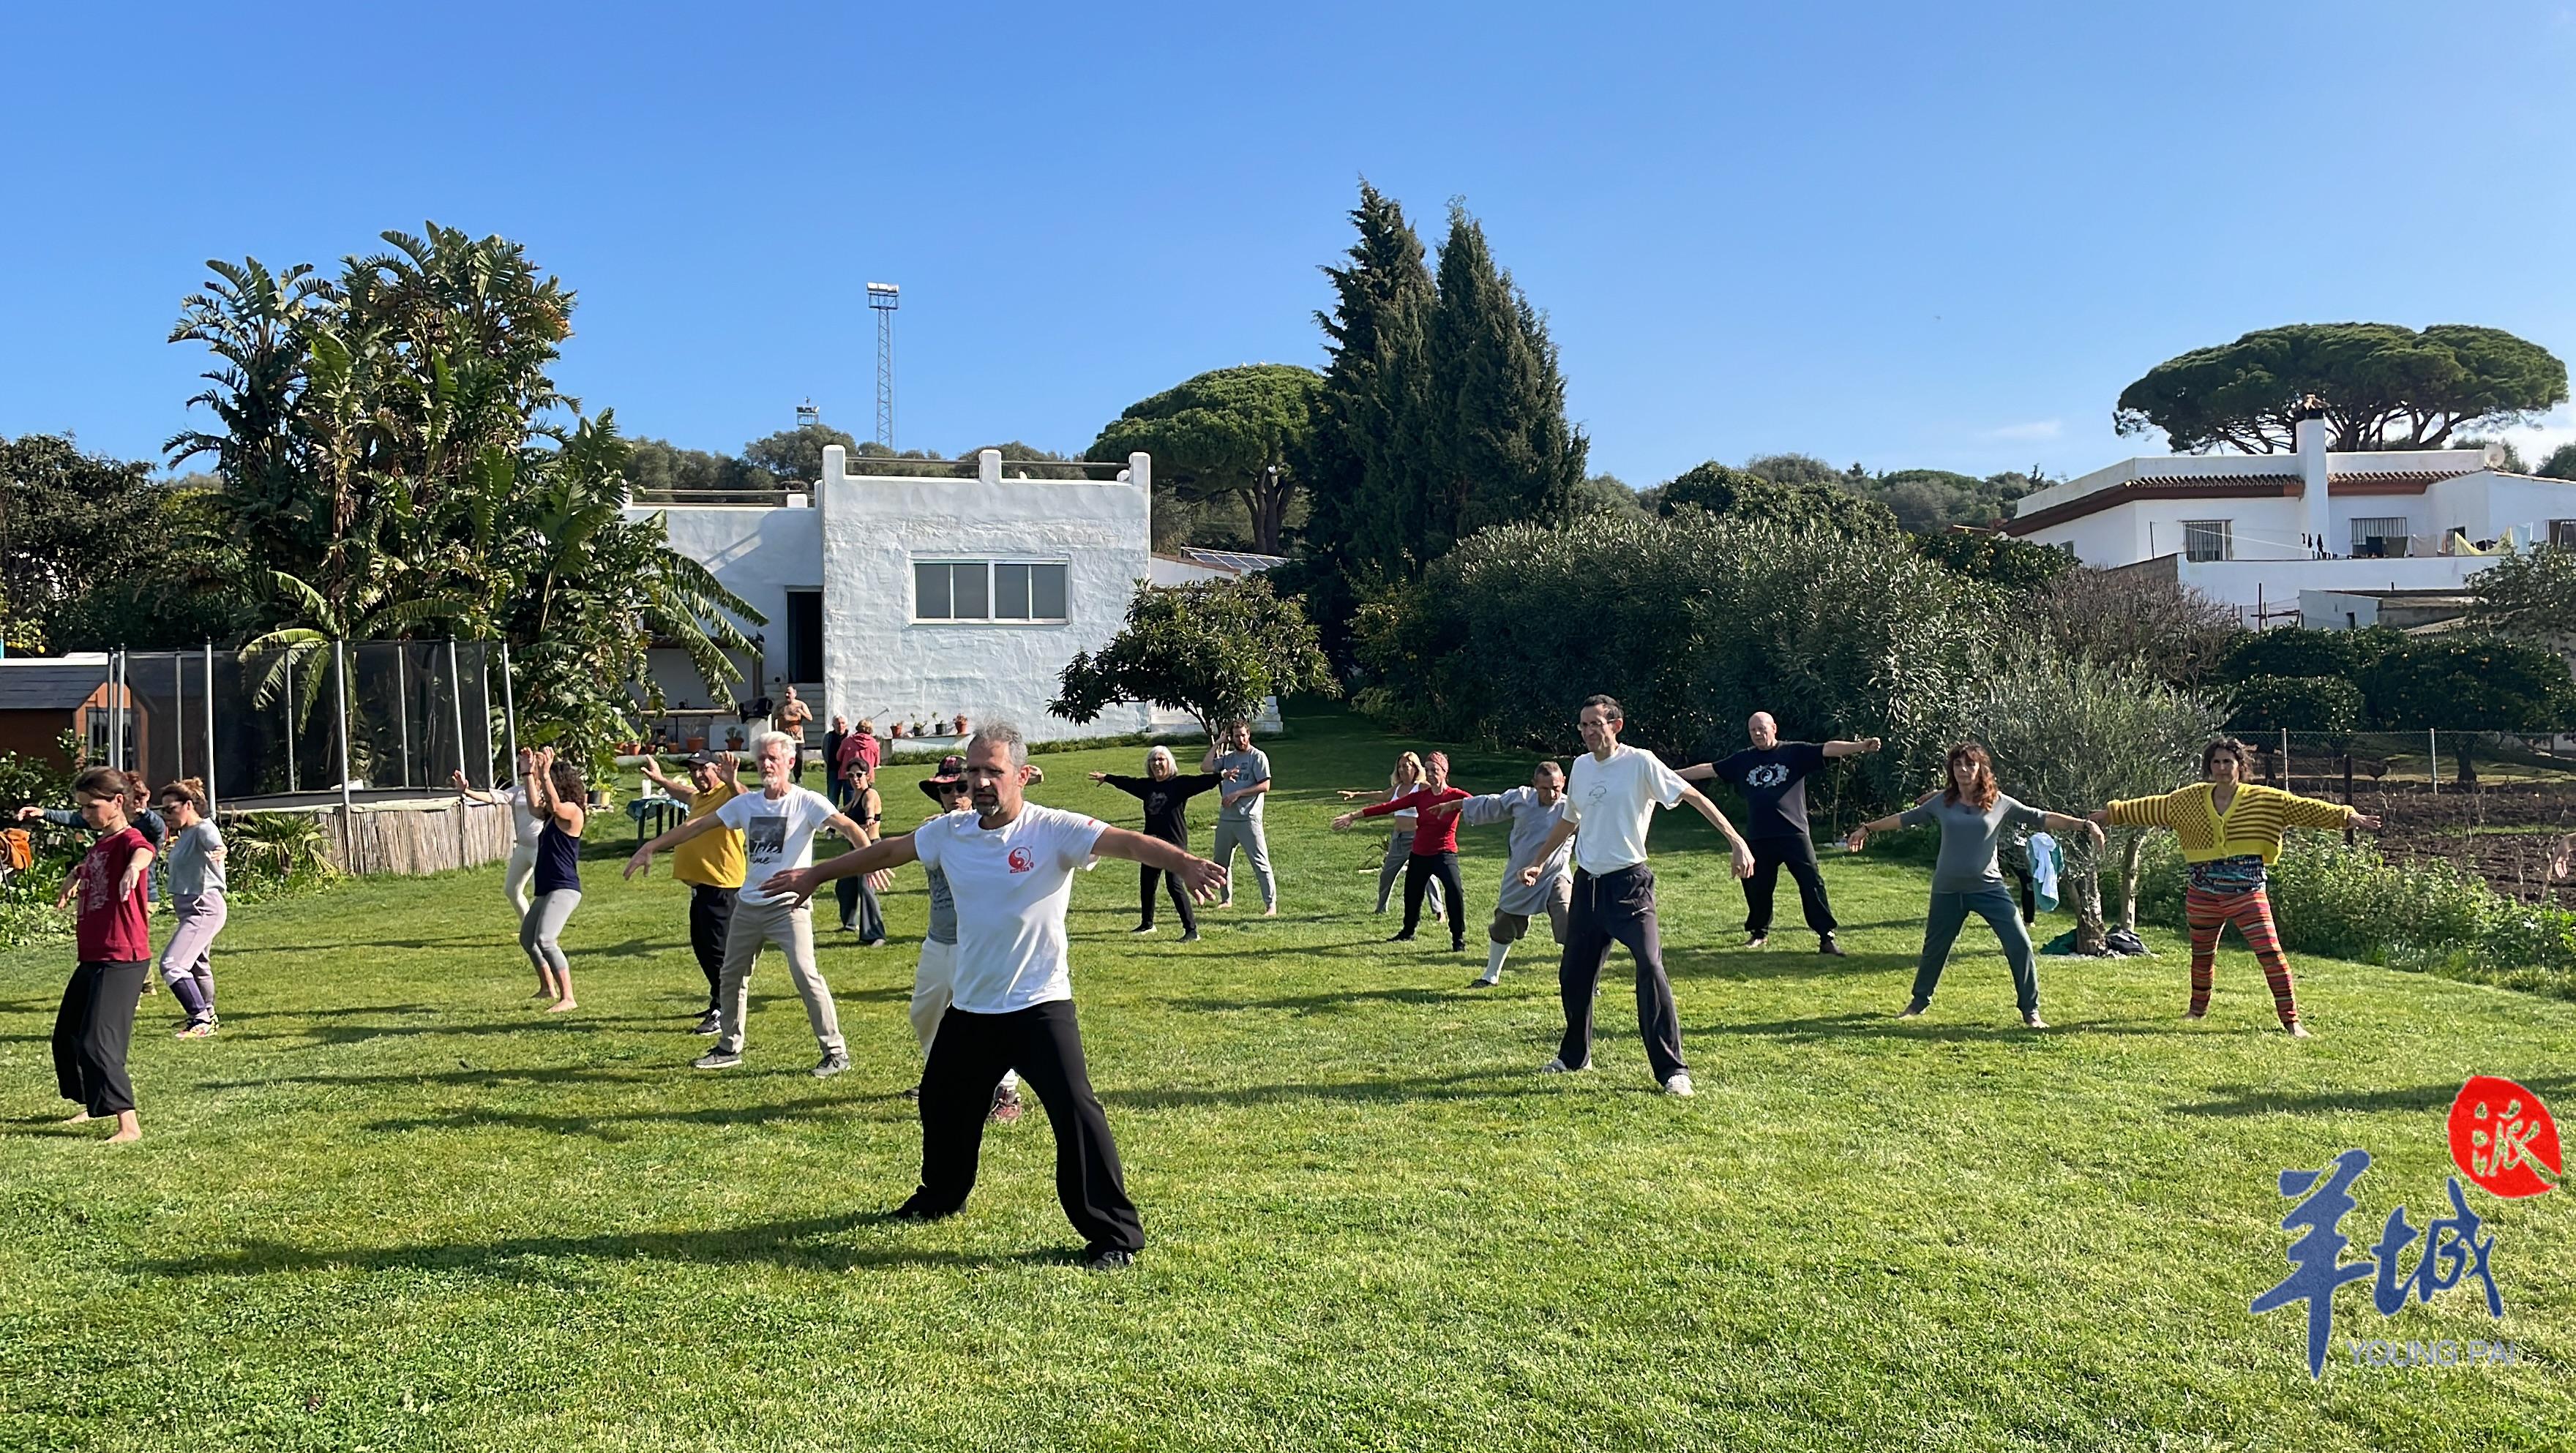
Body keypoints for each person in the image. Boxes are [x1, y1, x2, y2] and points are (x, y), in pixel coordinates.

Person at [762, 719, 1228, 1272]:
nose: (980, 781)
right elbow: (887, 853)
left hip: (1040, 1006)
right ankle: (942, 1196)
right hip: (974, 1006)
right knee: (941, 1101)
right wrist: (817, 874)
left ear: (1023, 775)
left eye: (993, 771)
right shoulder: (950, 832)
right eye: (973, 770)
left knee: (1077, 1114)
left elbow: (1126, 842)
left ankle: (1114, 1236)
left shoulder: (1053, 828)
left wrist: (1184, 861)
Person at [1516, 695, 1756, 1097]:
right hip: (1588, 886)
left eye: (1596, 723)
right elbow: (1570, 819)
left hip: (1629, 886)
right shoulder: (1580, 767)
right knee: (1574, 976)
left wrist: (1737, 841)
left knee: (1650, 967)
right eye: (1584, 726)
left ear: (1617, 725)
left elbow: (1693, 796)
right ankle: (1575, 1057)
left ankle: (1673, 1071)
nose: (1590, 731)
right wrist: (1539, 860)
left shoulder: (1640, 762)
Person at [2090, 737, 2377, 1037]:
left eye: (2228, 761)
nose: (2222, 768)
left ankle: (2292, 1022)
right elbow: (2151, 807)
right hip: (2202, 893)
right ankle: (2196, 1010)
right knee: (2202, 956)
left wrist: (2348, 817)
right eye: (2216, 762)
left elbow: (2305, 809)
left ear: (2241, 766)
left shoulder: (2264, 799)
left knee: (2270, 954)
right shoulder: (2188, 800)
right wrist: (2112, 815)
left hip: (2247, 892)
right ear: (2209, 767)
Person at [626, 730, 861, 1076]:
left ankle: (835, 1052)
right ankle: (728, 1046)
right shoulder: (746, 804)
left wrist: (871, 858)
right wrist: (650, 847)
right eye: (761, 758)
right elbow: (696, 827)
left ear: (790, 762)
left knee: (806, 975)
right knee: (731, 976)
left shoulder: (807, 802)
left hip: (789, 906)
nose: (766, 764)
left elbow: (847, 827)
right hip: (749, 905)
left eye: (773, 758)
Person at [1845, 743, 2103, 1029]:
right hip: (1948, 889)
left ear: (1981, 769)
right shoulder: (1942, 801)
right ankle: (1918, 1003)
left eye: (1970, 765)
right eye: (1958, 765)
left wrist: (2083, 825)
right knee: (1935, 949)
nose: (1964, 770)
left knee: (2020, 944)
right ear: (1951, 770)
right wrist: (1867, 828)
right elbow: (1905, 819)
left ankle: (2031, 1012)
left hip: (1989, 888)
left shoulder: (1999, 802)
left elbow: (2039, 817)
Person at [1681, 713, 1880, 955]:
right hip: (1759, 835)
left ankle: (1826, 937)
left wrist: (1860, 746)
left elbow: (1828, 749)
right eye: (1752, 730)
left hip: (1794, 833)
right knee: (1756, 885)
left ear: (1774, 728)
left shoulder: (1794, 752)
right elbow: (1709, 769)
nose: (1757, 734)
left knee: (1811, 883)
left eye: (1761, 729)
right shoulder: (1743, 760)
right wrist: (1669, 774)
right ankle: (1759, 933)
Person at [905, 755, 1025, 1123]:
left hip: (979, 942)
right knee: (925, 1014)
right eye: (945, 790)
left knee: (987, 1019)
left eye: (960, 787)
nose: (954, 795)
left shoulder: (990, 830)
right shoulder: (936, 832)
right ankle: (942, 1077)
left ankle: (1006, 1090)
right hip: (939, 938)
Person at [50, 767, 154, 1144]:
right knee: (69, 1037)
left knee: (99, 1042)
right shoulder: (99, 845)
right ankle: (95, 1102)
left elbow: (144, 851)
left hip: (122, 957)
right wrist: (74, 875)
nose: (85, 814)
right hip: (94, 956)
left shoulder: (129, 840)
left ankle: (129, 1125)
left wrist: (134, 869)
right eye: (81, 807)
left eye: (92, 807)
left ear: (118, 802)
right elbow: (94, 866)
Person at [638, 748, 744, 1035]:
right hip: (702, 891)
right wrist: (660, 779)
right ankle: (718, 1001)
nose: (698, 775)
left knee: (719, 954)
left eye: (703, 769)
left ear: (717, 769)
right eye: (693, 770)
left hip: (722, 887)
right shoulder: (701, 797)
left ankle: (725, 1011)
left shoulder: (728, 795)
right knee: (704, 949)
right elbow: (683, 792)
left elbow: (746, 799)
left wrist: (732, 781)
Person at [1333, 751, 1472, 952]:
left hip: (1444, 853)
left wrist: (1453, 805)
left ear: (1445, 772)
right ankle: (1408, 931)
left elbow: (1480, 804)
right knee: (1412, 894)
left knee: (1454, 891)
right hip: (1420, 853)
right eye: (1428, 769)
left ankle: (1458, 938)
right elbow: (1387, 806)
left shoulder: (1456, 795)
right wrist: (1353, 816)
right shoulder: (1421, 797)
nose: (1431, 774)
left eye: (1435, 770)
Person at [1455, 761, 1575, 988]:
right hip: (1519, 874)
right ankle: (1491, 976)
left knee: (1569, 920)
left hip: (1555, 874)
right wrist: (1457, 805)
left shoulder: (1571, 808)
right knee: (1503, 924)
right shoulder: (1522, 798)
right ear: (1534, 785)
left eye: (1556, 788)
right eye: (1544, 788)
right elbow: (1492, 804)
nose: (1551, 794)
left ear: (1564, 783)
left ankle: (1584, 979)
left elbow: (1596, 831)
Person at [1090, 745, 1224, 940]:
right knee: (1147, 882)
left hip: (1174, 842)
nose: (1157, 764)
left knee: (1174, 885)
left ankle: (1191, 931)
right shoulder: (1148, 787)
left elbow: (1201, 782)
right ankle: (1147, 924)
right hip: (1151, 842)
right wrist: (1108, 778)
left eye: (1161, 759)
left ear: (1169, 763)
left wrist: (1221, 776)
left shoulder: (1179, 785)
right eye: (1153, 760)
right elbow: (1130, 783)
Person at [152, 778, 227, 1038]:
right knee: (197, 965)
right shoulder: (184, 835)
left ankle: (201, 1020)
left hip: (204, 907)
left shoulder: (204, 829)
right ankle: (209, 1015)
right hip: (190, 909)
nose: (166, 816)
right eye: (162, 811)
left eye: (170, 809)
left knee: (172, 964)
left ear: (188, 805)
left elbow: (216, 844)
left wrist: (220, 851)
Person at [1335, 752, 1445, 923]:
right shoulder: (1398, 788)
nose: (1401, 770)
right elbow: (1381, 796)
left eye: (1405, 766)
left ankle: (1439, 912)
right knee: (1387, 874)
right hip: (1398, 838)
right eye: (1399, 767)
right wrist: (1356, 794)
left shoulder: (1422, 787)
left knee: (1427, 875)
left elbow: (1439, 792)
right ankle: (1381, 909)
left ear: (1415, 768)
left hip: (1417, 838)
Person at [520, 746, 587, 1013]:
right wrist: (527, 772)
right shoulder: (549, 818)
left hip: (564, 888)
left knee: (546, 940)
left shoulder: (572, 812)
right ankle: (548, 987)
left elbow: (555, 804)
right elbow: (535, 806)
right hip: (548, 888)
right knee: (528, 939)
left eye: (547, 781)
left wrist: (544, 773)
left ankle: (568, 997)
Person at [454, 748, 543, 935]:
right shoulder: (517, 792)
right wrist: (466, 790)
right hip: (523, 848)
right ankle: (528, 927)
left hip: (541, 849)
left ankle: (544, 932)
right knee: (512, 890)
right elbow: (492, 798)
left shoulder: (546, 793)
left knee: (542, 892)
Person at [1202, 720, 1276, 915]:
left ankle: (1270, 906)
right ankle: (1226, 900)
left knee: (1260, 863)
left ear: (1249, 735)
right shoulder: (1228, 758)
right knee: (1221, 863)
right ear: (1232, 738)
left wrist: (1238, 793)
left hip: (1248, 819)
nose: (1241, 739)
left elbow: (1265, 786)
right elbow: (1205, 767)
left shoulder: (1257, 757)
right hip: (1227, 819)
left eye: (1243, 735)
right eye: (1236, 736)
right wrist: (1218, 743)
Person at [833, 759, 889, 944]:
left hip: (870, 848)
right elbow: (842, 813)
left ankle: (876, 934)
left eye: (859, 775)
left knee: (866, 888)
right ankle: (849, 924)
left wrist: (870, 818)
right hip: (855, 850)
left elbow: (870, 809)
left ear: (867, 775)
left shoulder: (870, 794)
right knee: (844, 886)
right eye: (851, 775)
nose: (855, 779)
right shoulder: (855, 797)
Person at [773, 686, 814, 783]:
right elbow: (774, 718)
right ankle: (784, 777)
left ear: (795, 694)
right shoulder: (780, 706)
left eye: (789, 693)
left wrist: (801, 712)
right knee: (783, 758)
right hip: (784, 738)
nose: (787, 695)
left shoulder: (801, 705)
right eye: (786, 693)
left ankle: (798, 777)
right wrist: (775, 732)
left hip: (797, 738)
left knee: (798, 759)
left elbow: (810, 718)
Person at [823, 715, 852, 808]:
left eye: (843, 723)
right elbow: (825, 752)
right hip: (833, 770)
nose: (840, 726)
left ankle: (849, 819)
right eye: (838, 723)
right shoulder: (828, 737)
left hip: (848, 772)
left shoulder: (850, 737)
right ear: (833, 725)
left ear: (846, 725)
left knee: (849, 798)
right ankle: (833, 819)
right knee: (832, 798)